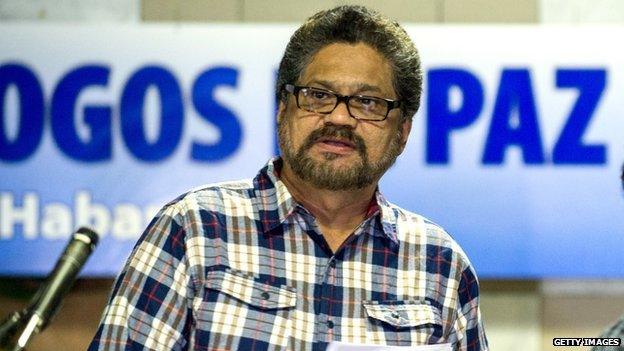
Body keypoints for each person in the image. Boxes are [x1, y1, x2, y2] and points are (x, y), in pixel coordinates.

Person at [88, 5, 488, 351]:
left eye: (367, 102)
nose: (338, 117)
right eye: (318, 95)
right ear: (283, 109)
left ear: (402, 131)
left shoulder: (440, 264)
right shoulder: (194, 229)